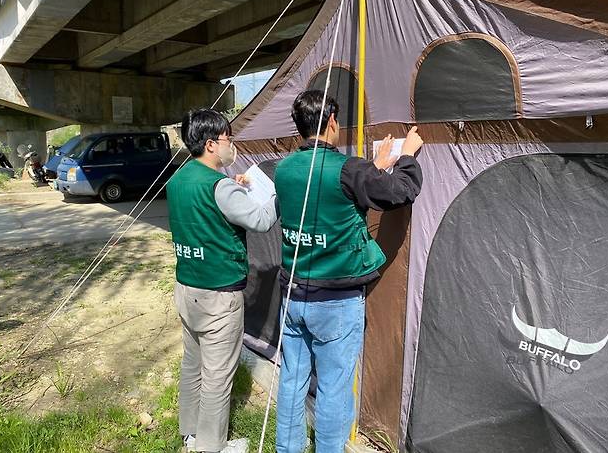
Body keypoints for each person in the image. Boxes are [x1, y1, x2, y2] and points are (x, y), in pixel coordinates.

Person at [274, 90, 424, 453]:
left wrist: (374, 168)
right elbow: (401, 192)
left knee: (292, 381)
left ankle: (287, 447)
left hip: (293, 296)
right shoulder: (348, 169)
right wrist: (406, 156)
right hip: (336, 303)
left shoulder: (284, 168)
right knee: (334, 388)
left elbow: (327, 201)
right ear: (330, 123)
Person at [167, 109, 278, 453]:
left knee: (193, 365)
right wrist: (276, 192)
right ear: (212, 144)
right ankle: (211, 447)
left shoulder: (179, 179)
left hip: (187, 288)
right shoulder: (219, 186)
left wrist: (235, 188)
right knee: (218, 377)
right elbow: (260, 221)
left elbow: (208, 212)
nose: (233, 145)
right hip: (218, 298)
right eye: (230, 138)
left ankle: (190, 435)